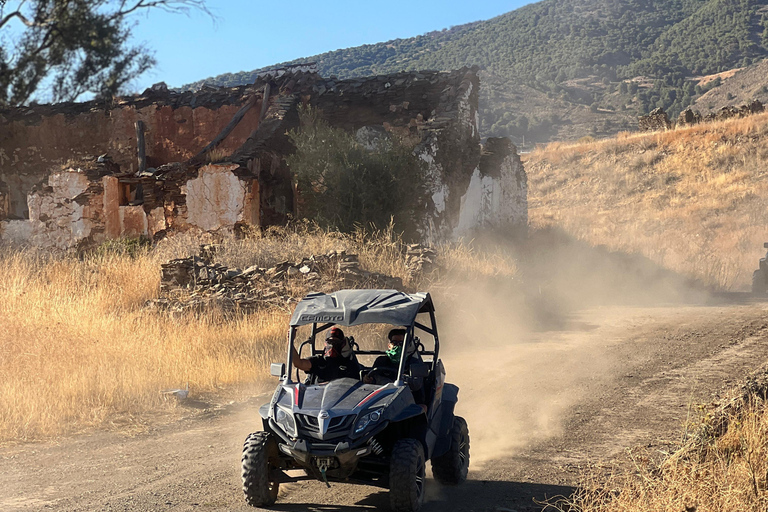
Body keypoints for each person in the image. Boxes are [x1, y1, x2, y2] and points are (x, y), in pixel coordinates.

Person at [291, 326, 361, 384]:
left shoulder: (349, 363)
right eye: (330, 342)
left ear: (342, 344)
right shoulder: (318, 361)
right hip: (318, 397)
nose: (332, 345)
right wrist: (290, 342)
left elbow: (360, 383)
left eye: (336, 342)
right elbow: (298, 363)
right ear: (326, 343)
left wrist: (366, 379)